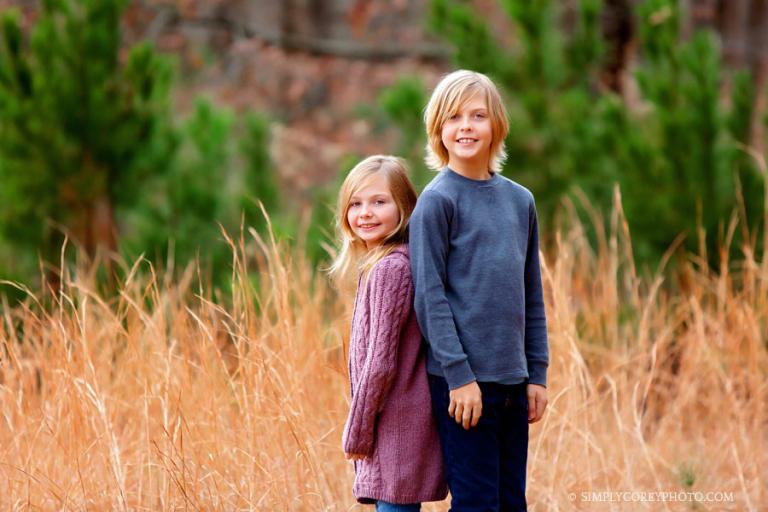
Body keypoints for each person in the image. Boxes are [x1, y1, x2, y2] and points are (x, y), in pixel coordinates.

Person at [408, 69, 549, 511]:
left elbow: (531, 295)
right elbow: (429, 298)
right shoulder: (437, 201)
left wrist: (537, 373)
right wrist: (459, 377)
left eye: (477, 115)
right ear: (438, 131)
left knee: (511, 502)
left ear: (497, 126)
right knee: (476, 504)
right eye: (453, 117)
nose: (465, 126)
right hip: (463, 386)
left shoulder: (520, 201)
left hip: (513, 379)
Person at [330, 155, 448, 511]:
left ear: (404, 208)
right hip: (396, 426)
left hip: (396, 427)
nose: (365, 212)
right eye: (355, 203)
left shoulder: (391, 269)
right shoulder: (383, 263)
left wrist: (358, 429)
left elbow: (379, 363)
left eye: (379, 202)